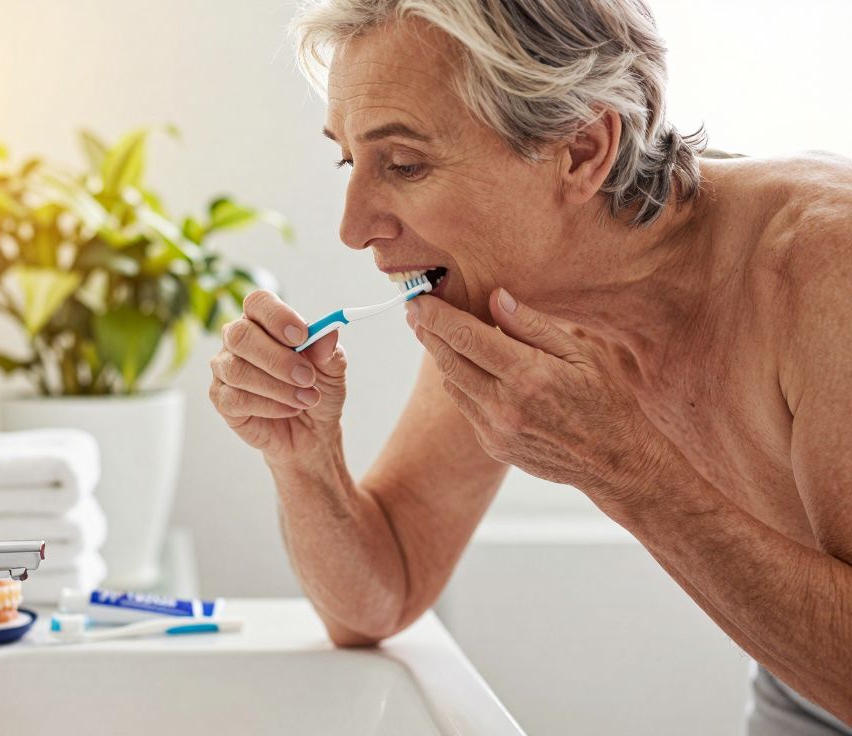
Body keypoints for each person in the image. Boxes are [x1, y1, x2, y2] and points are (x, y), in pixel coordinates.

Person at [206, 1, 852, 733]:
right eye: (350, 161)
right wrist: (305, 458)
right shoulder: (508, 294)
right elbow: (379, 597)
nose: (354, 229)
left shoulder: (824, 270)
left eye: (405, 164)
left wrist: (627, 470)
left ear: (581, 149)